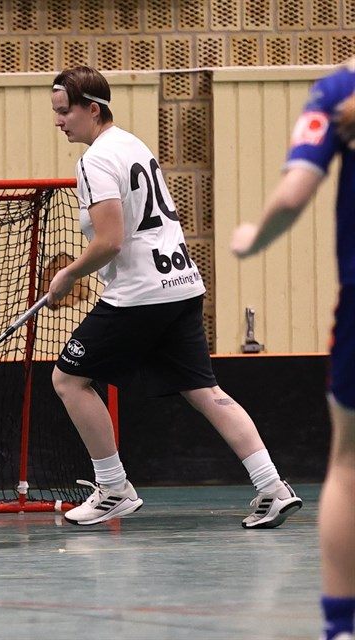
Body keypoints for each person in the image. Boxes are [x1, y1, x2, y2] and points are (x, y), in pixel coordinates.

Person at [46, 65, 302, 529]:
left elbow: (110, 241)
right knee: (205, 391)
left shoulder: (95, 160)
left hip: (140, 293)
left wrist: (67, 274)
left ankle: (113, 488)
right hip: (182, 285)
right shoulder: (133, 144)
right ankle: (273, 487)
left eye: (65, 111)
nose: (59, 121)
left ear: (93, 109)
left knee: (68, 379)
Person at [230, 58, 355, 640]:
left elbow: (294, 194)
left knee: (347, 466)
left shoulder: (339, 90)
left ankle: (341, 627)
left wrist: (253, 237)